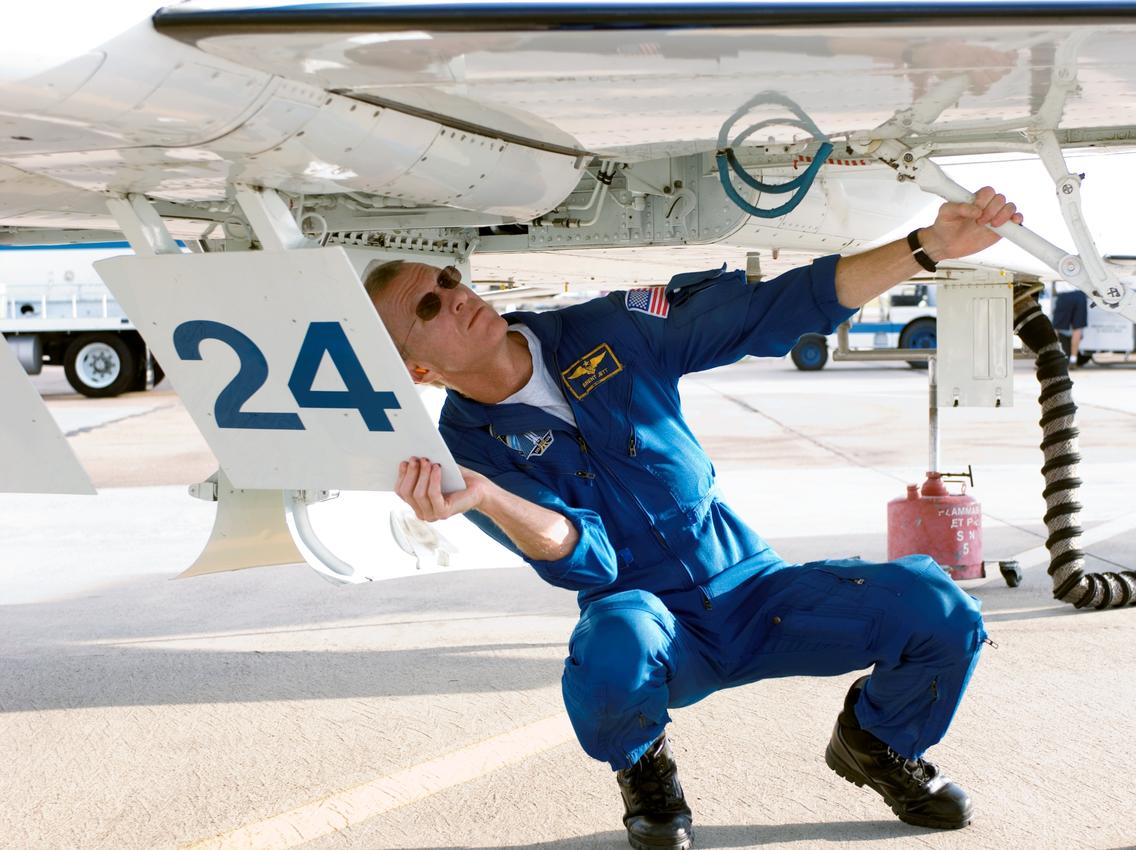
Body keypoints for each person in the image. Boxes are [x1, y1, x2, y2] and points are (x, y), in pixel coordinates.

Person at [366, 187, 1021, 850]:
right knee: (611, 643)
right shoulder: (466, 456)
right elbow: (585, 558)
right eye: (428, 306)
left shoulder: (604, 329)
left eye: (448, 280)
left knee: (937, 607)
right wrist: (489, 496)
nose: (455, 295)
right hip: (655, 622)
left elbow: (766, 311)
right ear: (417, 368)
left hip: (756, 591)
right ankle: (645, 770)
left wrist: (928, 246)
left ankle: (877, 745)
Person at [1052, 284, 1090, 367]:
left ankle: (1051, 358)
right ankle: (1073, 360)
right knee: (1078, 328)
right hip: (1080, 295)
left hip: (1064, 295)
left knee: (1056, 327)